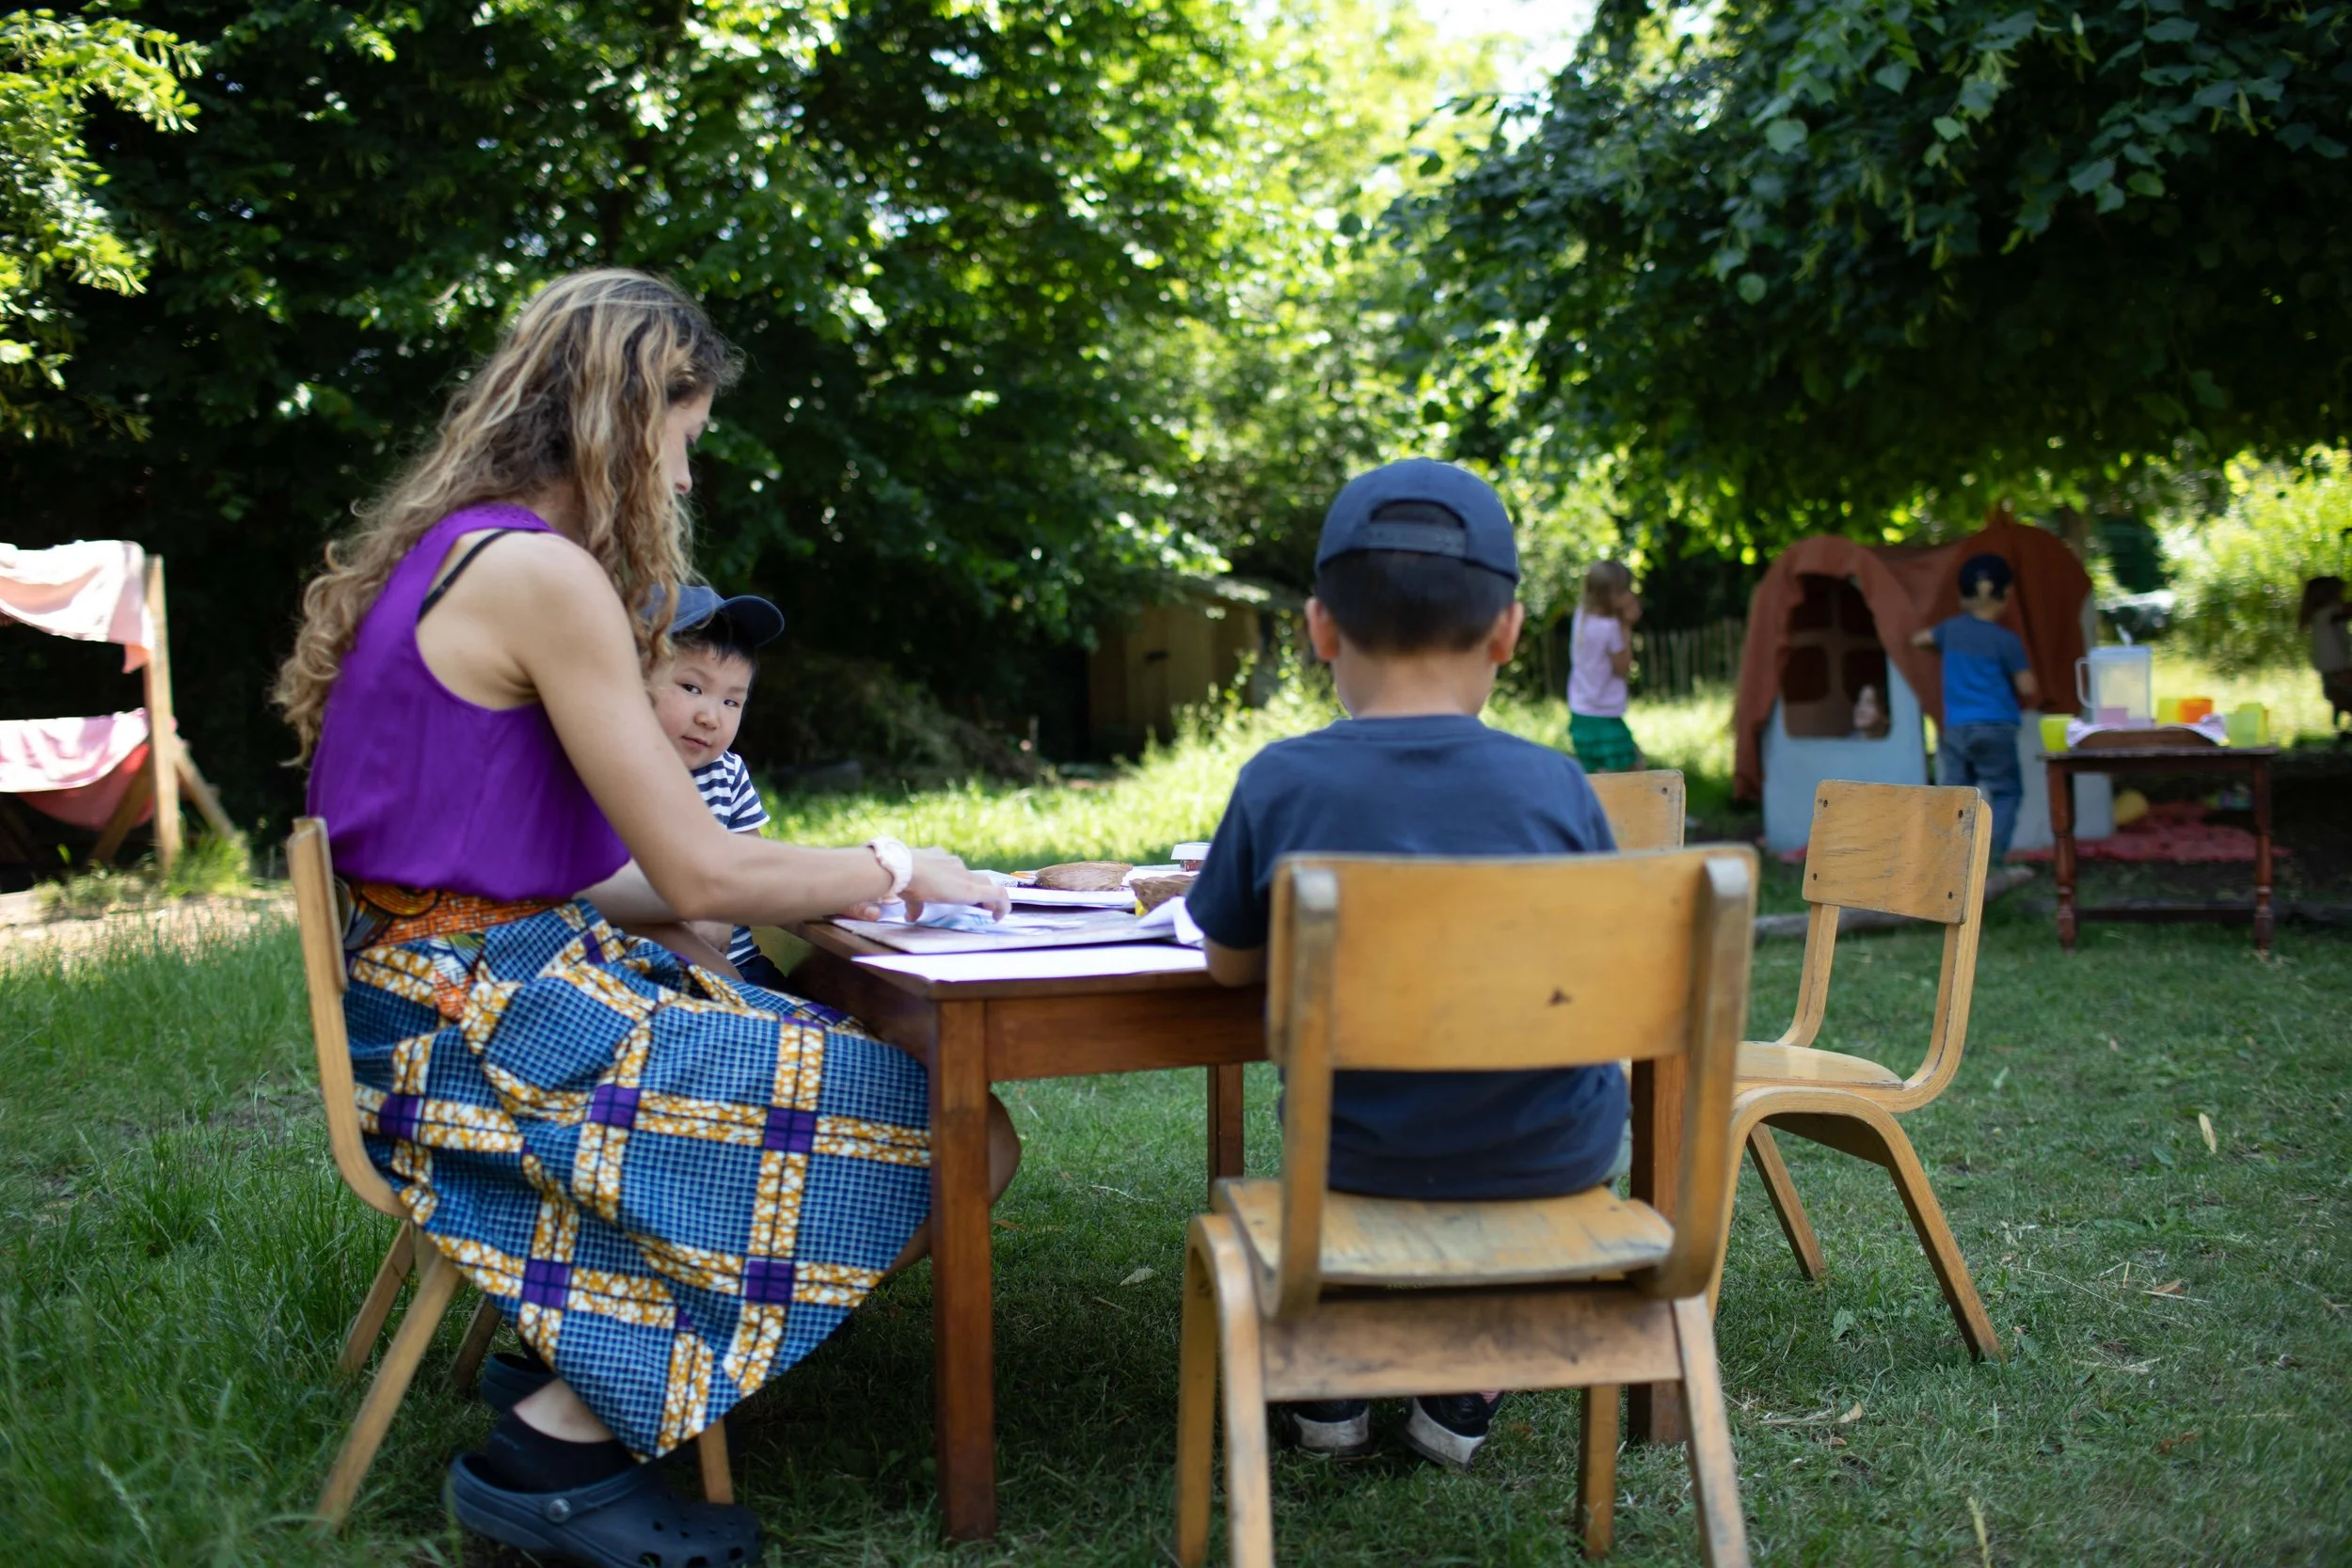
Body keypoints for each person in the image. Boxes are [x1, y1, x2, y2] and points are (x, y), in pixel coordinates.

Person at [275, 269, 1020, 1566]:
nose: (683, 482)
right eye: (683, 444)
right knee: (950, 1120)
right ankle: (558, 1441)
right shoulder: (544, 575)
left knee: (867, 1070)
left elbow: (584, 869)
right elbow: (700, 881)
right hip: (474, 1024)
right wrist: (895, 862)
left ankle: (584, 1353)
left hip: (448, 989)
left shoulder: (462, 547)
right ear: (629, 419)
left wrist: (835, 870)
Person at [1187, 458, 1623, 1472]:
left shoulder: (1279, 782)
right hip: (1552, 1169)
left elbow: (1224, 966)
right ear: (1508, 634)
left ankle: (1331, 1370)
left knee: (1356, 1112)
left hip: (1350, 1171)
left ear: (1319, 628)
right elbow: (1600, 982)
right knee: (1551, 1102)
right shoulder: (1559, 788)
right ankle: (1468, 1372)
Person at [642, 583, 796, 989]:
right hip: (647, 978)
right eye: (692, 688)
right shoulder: (609, 776)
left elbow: (758, 869)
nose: (711, 717)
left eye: (732, 701)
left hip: (744, 971)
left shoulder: (727, 774)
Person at [1909, 552, 2039, 861]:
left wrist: (1939, 645)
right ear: (2006, 594)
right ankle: (1990, 861)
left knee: (1956, 797)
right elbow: (2027, 686)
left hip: (1956, 728)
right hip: (1995, 727)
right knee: (2006, 792)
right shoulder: (2006, 641)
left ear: (1962, 595)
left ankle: (1952, 860)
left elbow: (1918, 639)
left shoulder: (1950, 630)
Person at [1567, 560, 1644, 772]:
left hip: (1580, 712)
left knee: (1597, 779)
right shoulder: (1610, 628)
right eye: (1625, 590)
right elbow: (1623, 668)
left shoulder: (1581, 614)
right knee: (1632, 772)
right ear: (1612, 595)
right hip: (1603, 716)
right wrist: (1626, 626)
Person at [2301, 576, 2351, 738]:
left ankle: (2340, 728)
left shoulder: (2321, 615)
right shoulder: (2327, 613)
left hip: (2331, 667)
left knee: (2340, 697)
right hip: (2336, 666)